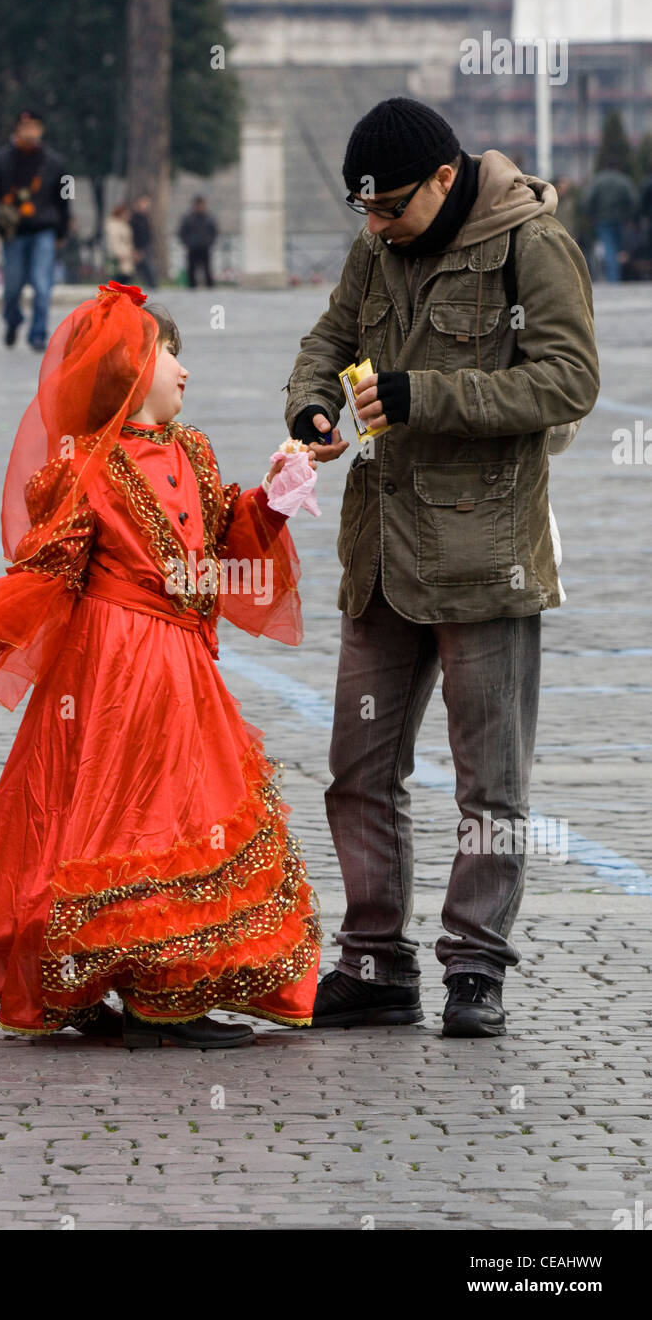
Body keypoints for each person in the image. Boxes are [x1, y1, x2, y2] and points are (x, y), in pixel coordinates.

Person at [0, 281, 321, 1048]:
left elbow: (226, 545)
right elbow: (40, 574)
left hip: (182, 669)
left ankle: (152, 981)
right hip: (109, 674)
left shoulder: (193, 451)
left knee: (178, 816)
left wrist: (273, 497)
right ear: (133, 369)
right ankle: (147, 988)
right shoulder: (84, 470)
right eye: (173, 354)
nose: (185, 372)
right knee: (129, 820)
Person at [284, 96, 599, 1038]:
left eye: (391, 209)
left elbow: (570, 378)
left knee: (488, 783)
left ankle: (476, 965)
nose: (376, 228)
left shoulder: (530, 243)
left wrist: (426, 395)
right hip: (381, 554)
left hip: (486, 558)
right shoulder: (375, 243)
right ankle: (376, 961)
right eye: (364, 212)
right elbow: (326, 342)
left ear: (447, 180)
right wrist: (310, 410)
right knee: (356, 770)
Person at [0, 108, 71, 351]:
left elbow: (64, 199)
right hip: (12, 230)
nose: (31, 132)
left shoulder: (55, 163)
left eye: (35, 127)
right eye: (26, 127)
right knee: (12, 286)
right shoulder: (0, 160)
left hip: (44, 229)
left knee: (42, 284)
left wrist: (62, 231)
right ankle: (13, 320)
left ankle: (38, 334)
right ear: (17, 129)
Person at [580, 166, 639, 282]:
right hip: (621, 219)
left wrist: (590, 215)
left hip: (602, 219)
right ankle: (618, 275)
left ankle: (613, 277)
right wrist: (630, 215)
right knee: (619, 248)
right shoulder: (624, 180)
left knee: (609, 247)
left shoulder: (598, 180)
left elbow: (587, 200)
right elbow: (634, 199)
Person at [178, 196, 218, 287]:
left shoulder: (209, 218)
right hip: (192, 247)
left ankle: (210, 286)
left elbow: (214, 232)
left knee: (207, 269)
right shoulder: (188, 218)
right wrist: (187, 243)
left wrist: (210, 242)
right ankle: (192, 286)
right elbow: (182, 232)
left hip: (205, 247)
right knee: (191, 269)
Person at [103, 203, 136, 283]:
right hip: (118, 255)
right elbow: (114, 241)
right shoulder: (113, 225)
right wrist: (118, 253)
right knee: (117, 276)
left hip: (126, 255)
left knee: (127, 275)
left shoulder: (124, 224)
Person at [131, 193, 157, 287]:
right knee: (145, 269)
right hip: (139, 248)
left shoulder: (144, 218)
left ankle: (152, 286)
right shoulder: (135, 218)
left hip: (145, 247)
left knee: (143, 269)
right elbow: (135, 235)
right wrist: (137, 249)